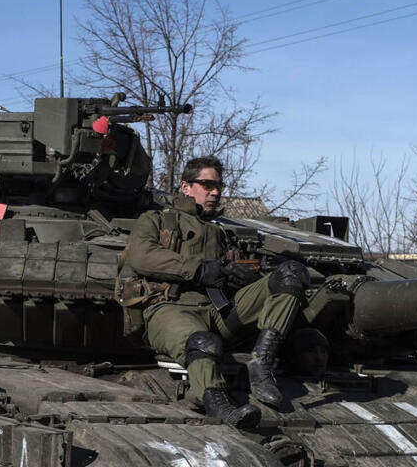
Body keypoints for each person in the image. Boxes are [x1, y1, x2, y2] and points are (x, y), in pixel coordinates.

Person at [124, 156, 310, 427]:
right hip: (171, 309)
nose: (215, 192)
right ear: (186, 187)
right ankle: (219, 406)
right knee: (203, 342)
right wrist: (199, 270)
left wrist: (244, 279)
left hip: (220, 310)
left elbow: (239, 280)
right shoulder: (156, 220)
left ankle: (262, 363)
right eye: (207, 185)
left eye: (218, 186)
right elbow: (143, 256)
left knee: (292, 272)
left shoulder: (224, 234)